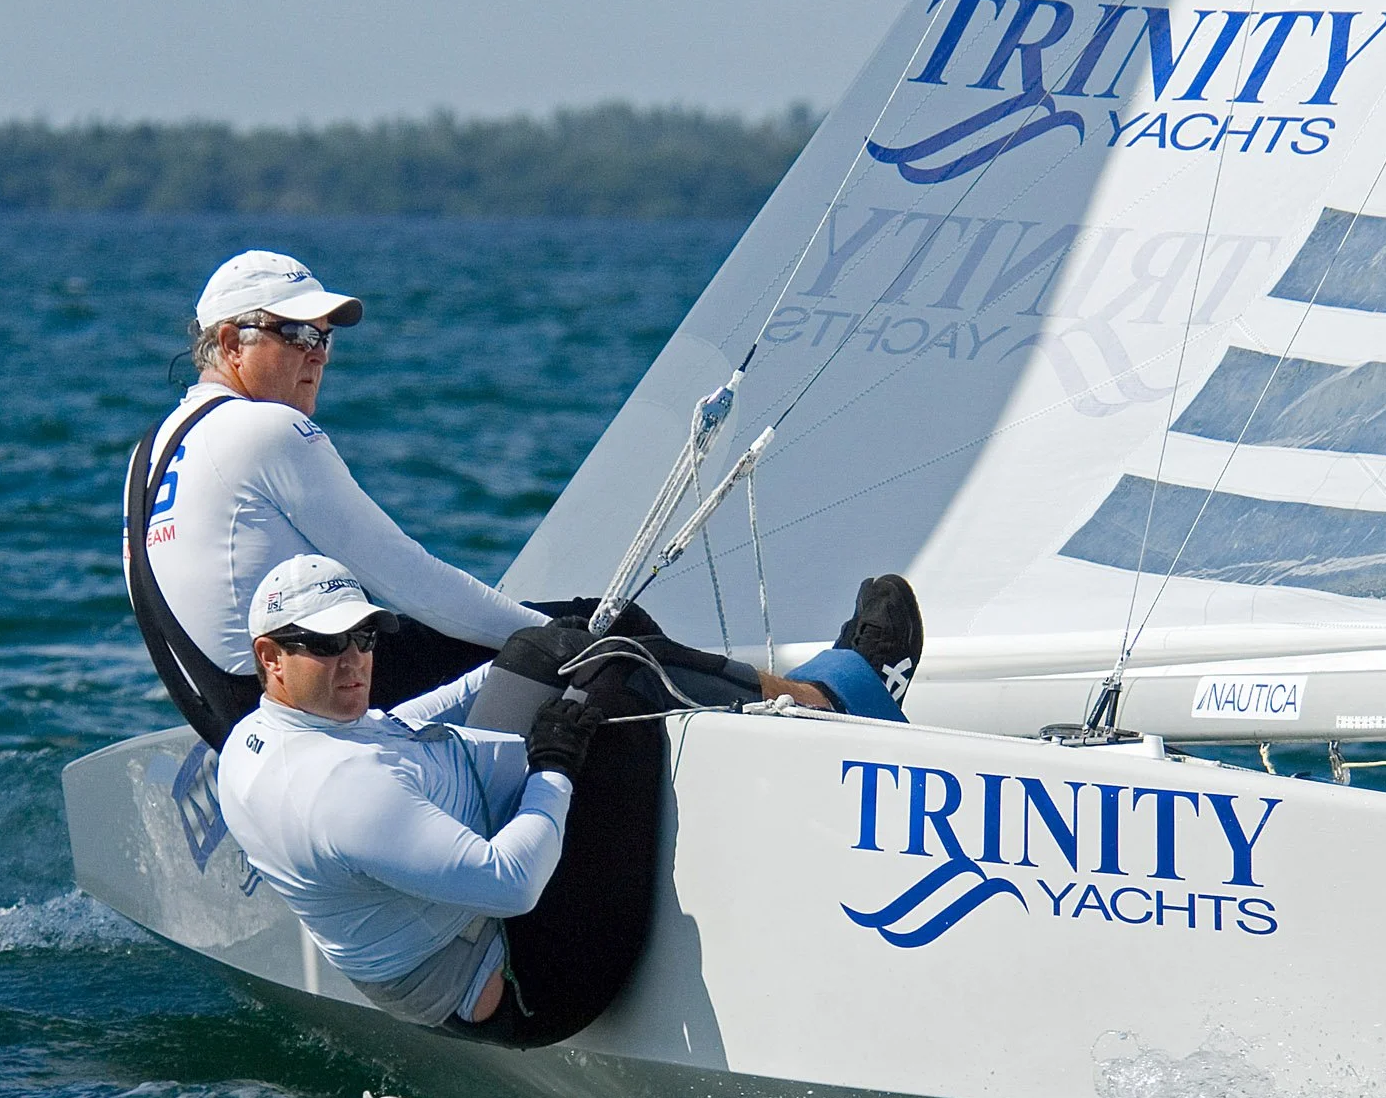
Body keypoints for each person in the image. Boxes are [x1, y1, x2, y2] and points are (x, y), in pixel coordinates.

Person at [126, 247, 852, 747]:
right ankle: (808, 704)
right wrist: (556, 642)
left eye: (324, 336)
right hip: (315, 709)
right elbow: (413, 580)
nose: (317, 352)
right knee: (609, 635)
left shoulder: (152, 451)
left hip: (241, 718)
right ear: (230, 340)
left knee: (564, 632)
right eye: (294, 334)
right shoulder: (267, 431)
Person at [218, 555, 920, 1046]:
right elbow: (510, 882)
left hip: (477, 863)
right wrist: (555, 765)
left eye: (365, 636)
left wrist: (516, 665)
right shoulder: (340, 793)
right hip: (533, 982)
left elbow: (398, 730)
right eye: (326, 643)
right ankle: (842, 697)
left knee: (558, 645)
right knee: (620, 685)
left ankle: (813, 695)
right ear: (269, 656)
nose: (354, 659)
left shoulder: (267, 732)